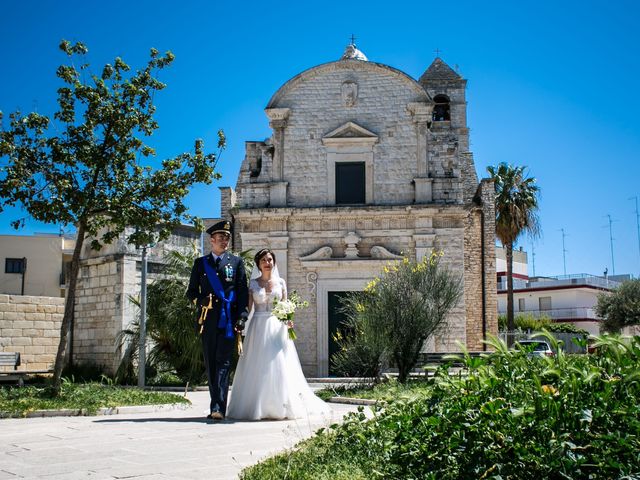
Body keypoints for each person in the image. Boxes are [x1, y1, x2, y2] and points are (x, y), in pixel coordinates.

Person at [227, 248, 330, 420]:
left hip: (277, 327)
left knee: (279, 364)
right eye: (263, 261)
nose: (267, 263)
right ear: (258, 265)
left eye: (269, 260)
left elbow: (285, 306)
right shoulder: (252, 284)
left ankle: (281, 405)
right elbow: (248, 308)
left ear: (274, 262)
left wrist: (288, 319)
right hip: (258, 327)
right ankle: (257, 406)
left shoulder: (281, 282)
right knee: (258, 364)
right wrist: (241, 322)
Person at [186, 220, 249, 421]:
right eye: (220, 238)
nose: (224, 241)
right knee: (211, 362)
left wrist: (242, 316)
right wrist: (201, 299)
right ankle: (216, 402)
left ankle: (218, 407)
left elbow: (241, 292)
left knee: (224, 362)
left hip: (229, 320)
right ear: (211, 240)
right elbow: (191, 292)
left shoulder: (236, 263)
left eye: (227, 238)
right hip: (208, 320)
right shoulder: (200, 263)